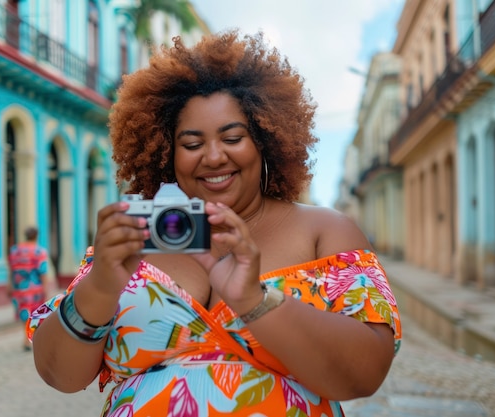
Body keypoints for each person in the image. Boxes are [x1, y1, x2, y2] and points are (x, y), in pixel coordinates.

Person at [27, 30, 402, 416]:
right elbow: (60, 376)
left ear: (265, 141)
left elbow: (365, 374)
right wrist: (101, 287)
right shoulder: (135, 240)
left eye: (233, 137)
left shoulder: (325, 231)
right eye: (191, 144)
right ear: (167, 155)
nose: (213, 156)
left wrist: (255, 301)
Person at [8, 226, 49, 351]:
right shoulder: (39, 251)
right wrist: (46, 289)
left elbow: (11, 270)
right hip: (34, 289)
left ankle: (26, 338)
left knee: (24, 314)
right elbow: (43, 271)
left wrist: (9, 285)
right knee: (35, 315)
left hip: (19, 288)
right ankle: (28, 340)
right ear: (36, 236)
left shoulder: (15, 250)